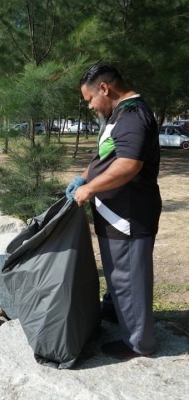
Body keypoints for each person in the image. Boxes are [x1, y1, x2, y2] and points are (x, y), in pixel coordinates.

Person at [66, 62, 162, 360]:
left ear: (104, 89)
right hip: (115, 215)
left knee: (129, 277)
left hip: (129, 215)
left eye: (90, 99)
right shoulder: (118, 115)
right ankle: (117, 313)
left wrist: (90, 189)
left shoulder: (133, 115)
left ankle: (138, 344)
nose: (91, 107)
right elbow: (105, 157)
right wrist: (85, 176)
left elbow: (128, 164)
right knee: (118, 275)